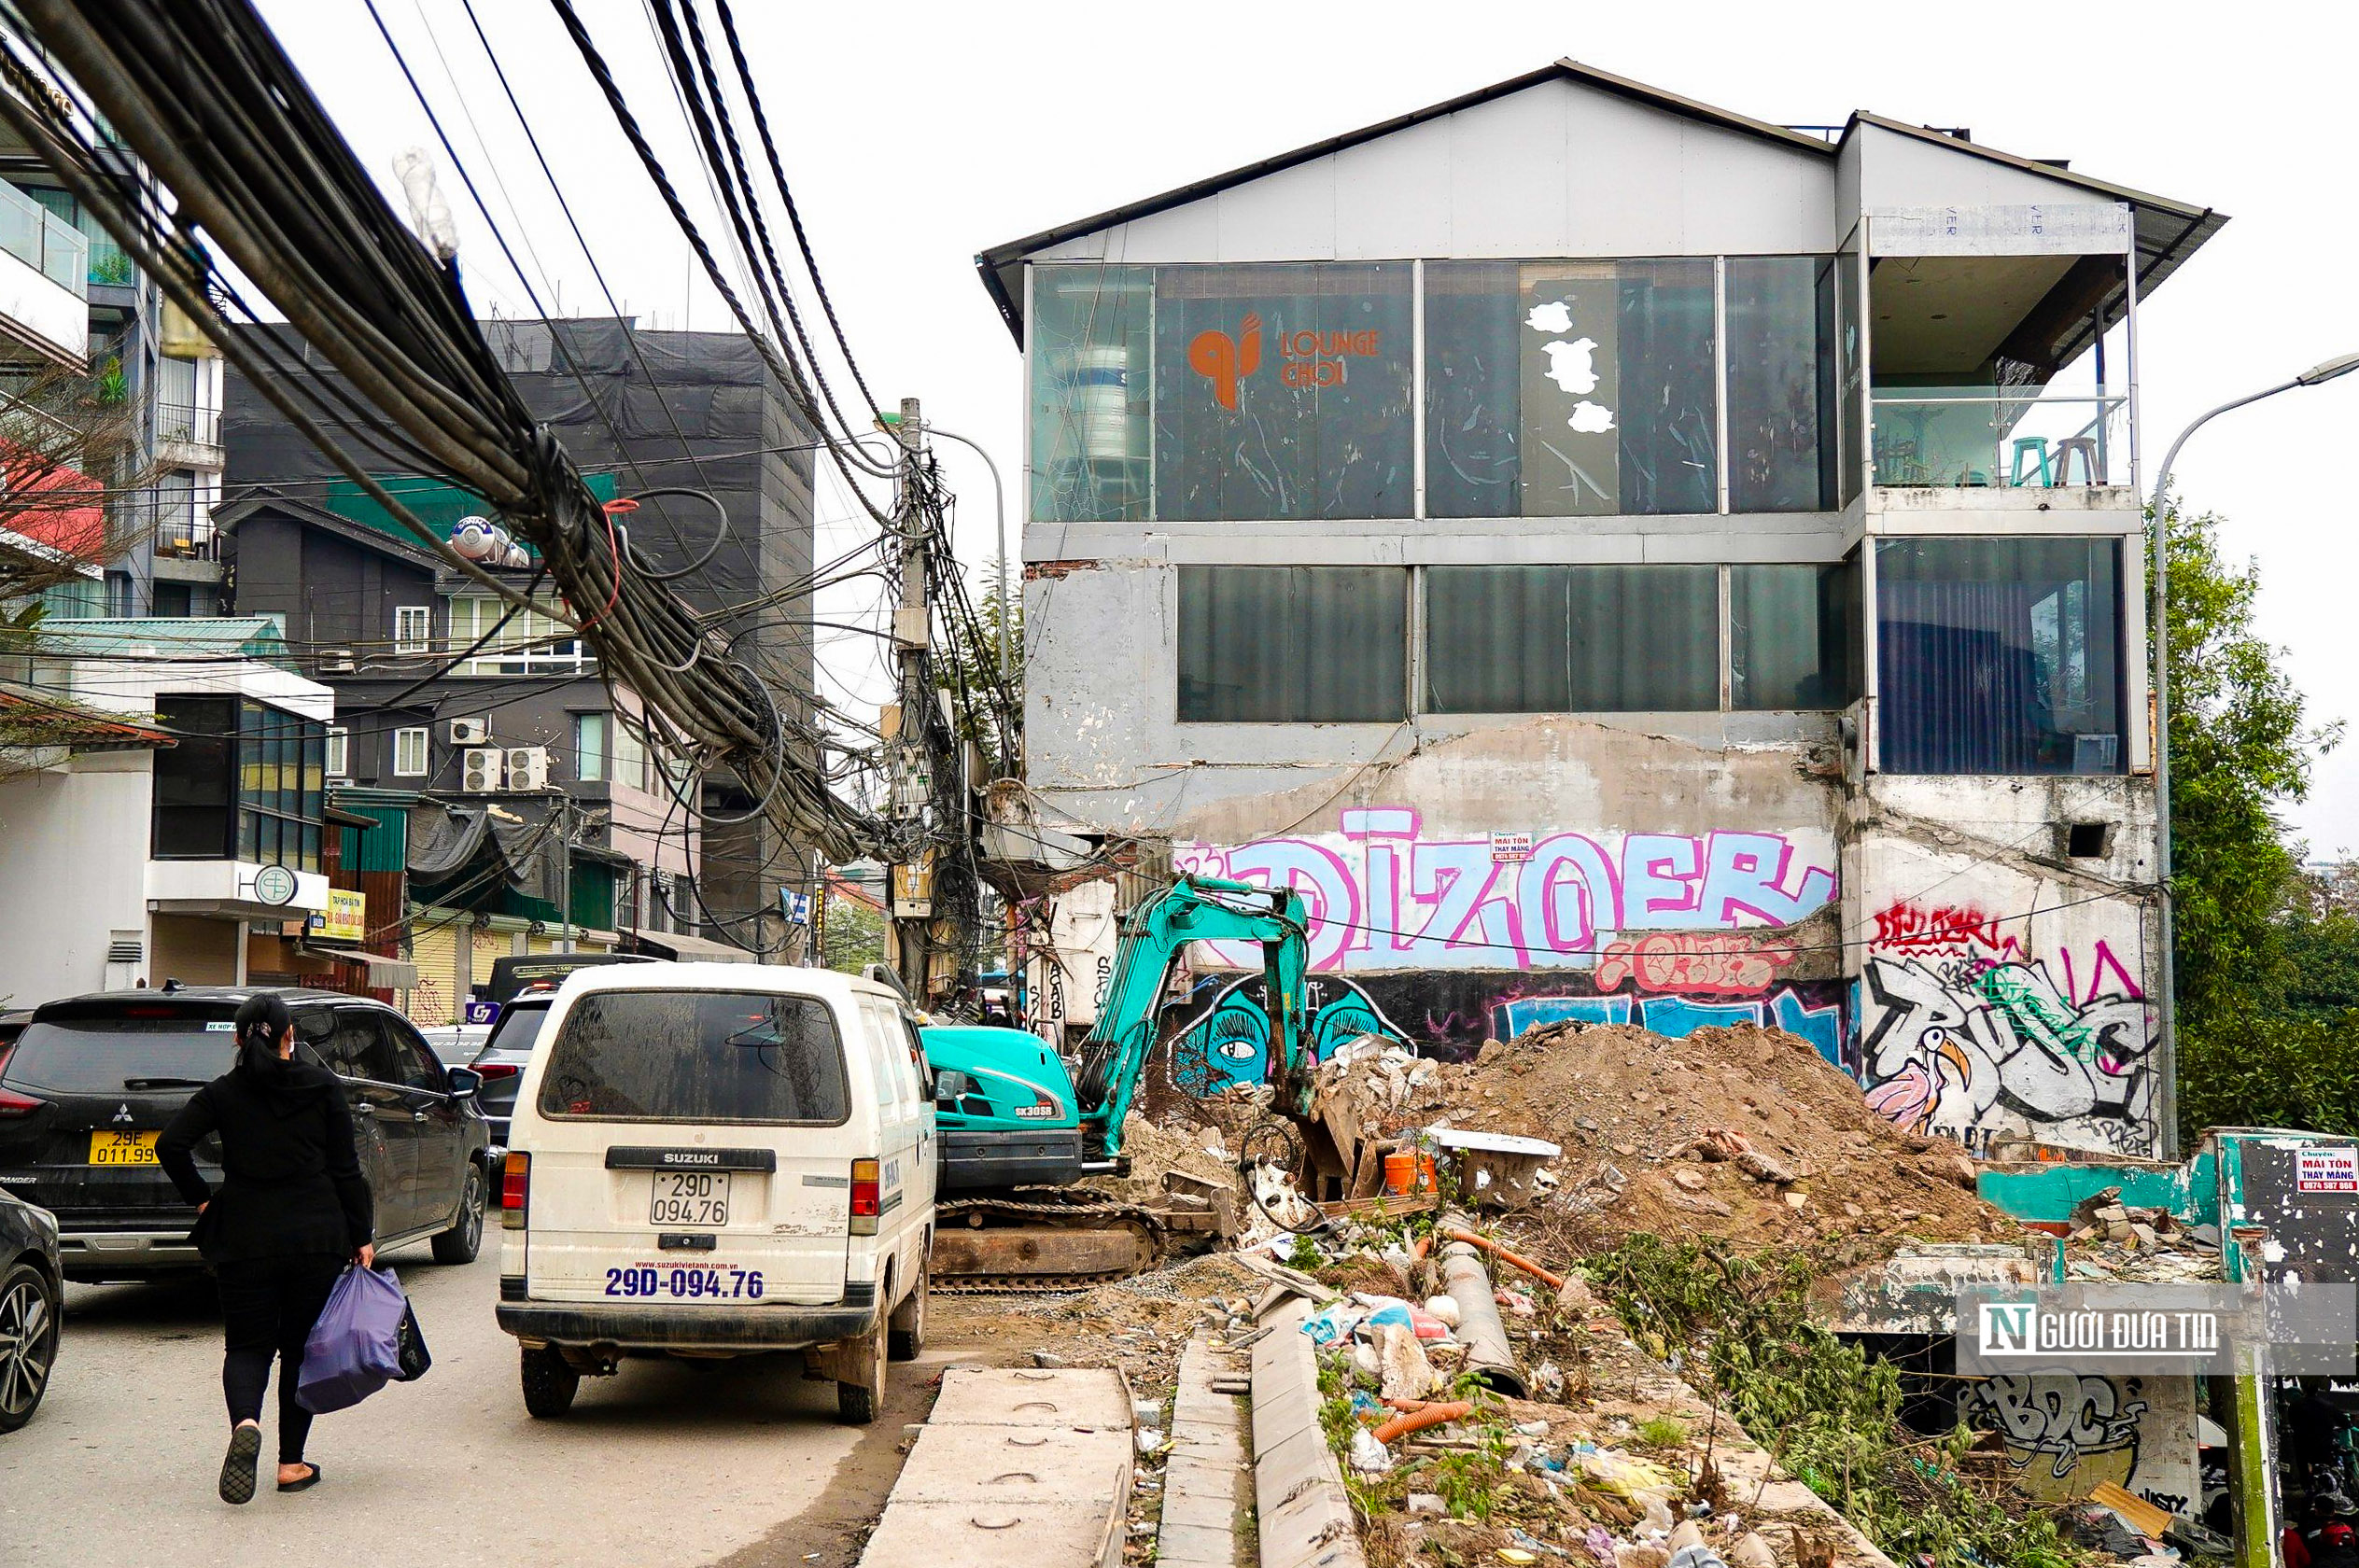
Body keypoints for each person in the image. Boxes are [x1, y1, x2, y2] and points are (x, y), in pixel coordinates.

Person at [158, 993, 374, 1505]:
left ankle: (246, 1423)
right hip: (316, 1239)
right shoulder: (323, 1087)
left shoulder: (224, 1092)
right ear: (289, 1037)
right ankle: (290, 1464)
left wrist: (202, 1201)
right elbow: (346, 1169)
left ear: (236, 1039)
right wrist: (361, 1235)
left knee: (248, 1346)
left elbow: (171, 1143)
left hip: (245, 1237)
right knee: (300, 1350)